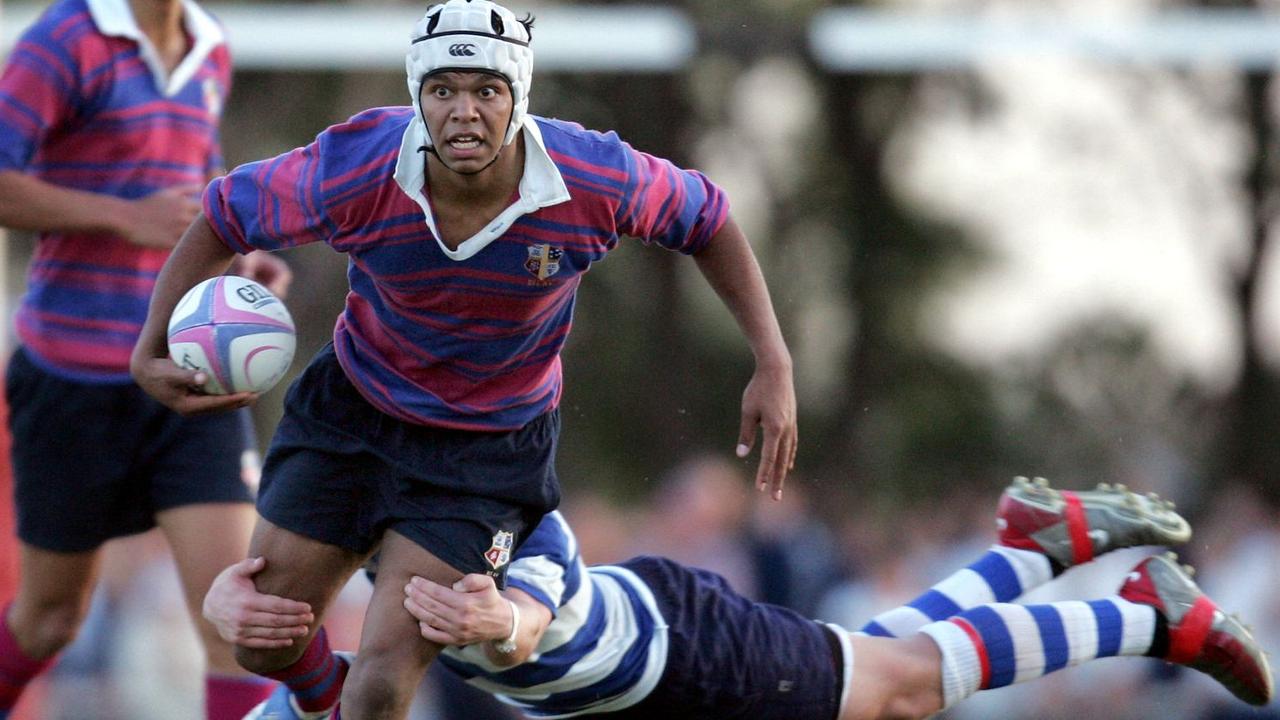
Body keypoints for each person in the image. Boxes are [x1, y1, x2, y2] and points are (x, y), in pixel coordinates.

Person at [128, 0, 798, 717]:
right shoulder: (357, 166)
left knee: (383, 683)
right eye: (442, 91)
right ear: (418, 96)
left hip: (486, 453)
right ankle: (321, 692)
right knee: (265, 642)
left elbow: (710, 218)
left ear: (519, 96)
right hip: (354, 414)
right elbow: (224, 213)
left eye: (486, 90)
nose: (464, 112)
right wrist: (151, 342)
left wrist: (774, 362)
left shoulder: (593, 177)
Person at [208, 477, 1274, 719]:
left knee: (898, 694)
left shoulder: (482, 492)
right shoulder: (370, 512)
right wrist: (252, 626)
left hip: (682, 656)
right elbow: (327, 695)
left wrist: (510, 619)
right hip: (649, 689)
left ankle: (1147, 612)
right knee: (867, 659)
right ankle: (1036, 549)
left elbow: (544, 560)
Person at [0, 0, 292, 718]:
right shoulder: (62, 42)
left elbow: (202, 189)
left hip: (188, 376)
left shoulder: (210, 44)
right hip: (72, 379)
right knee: (50, 621)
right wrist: (123, 215)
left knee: (238, 622)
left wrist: (240, 259)